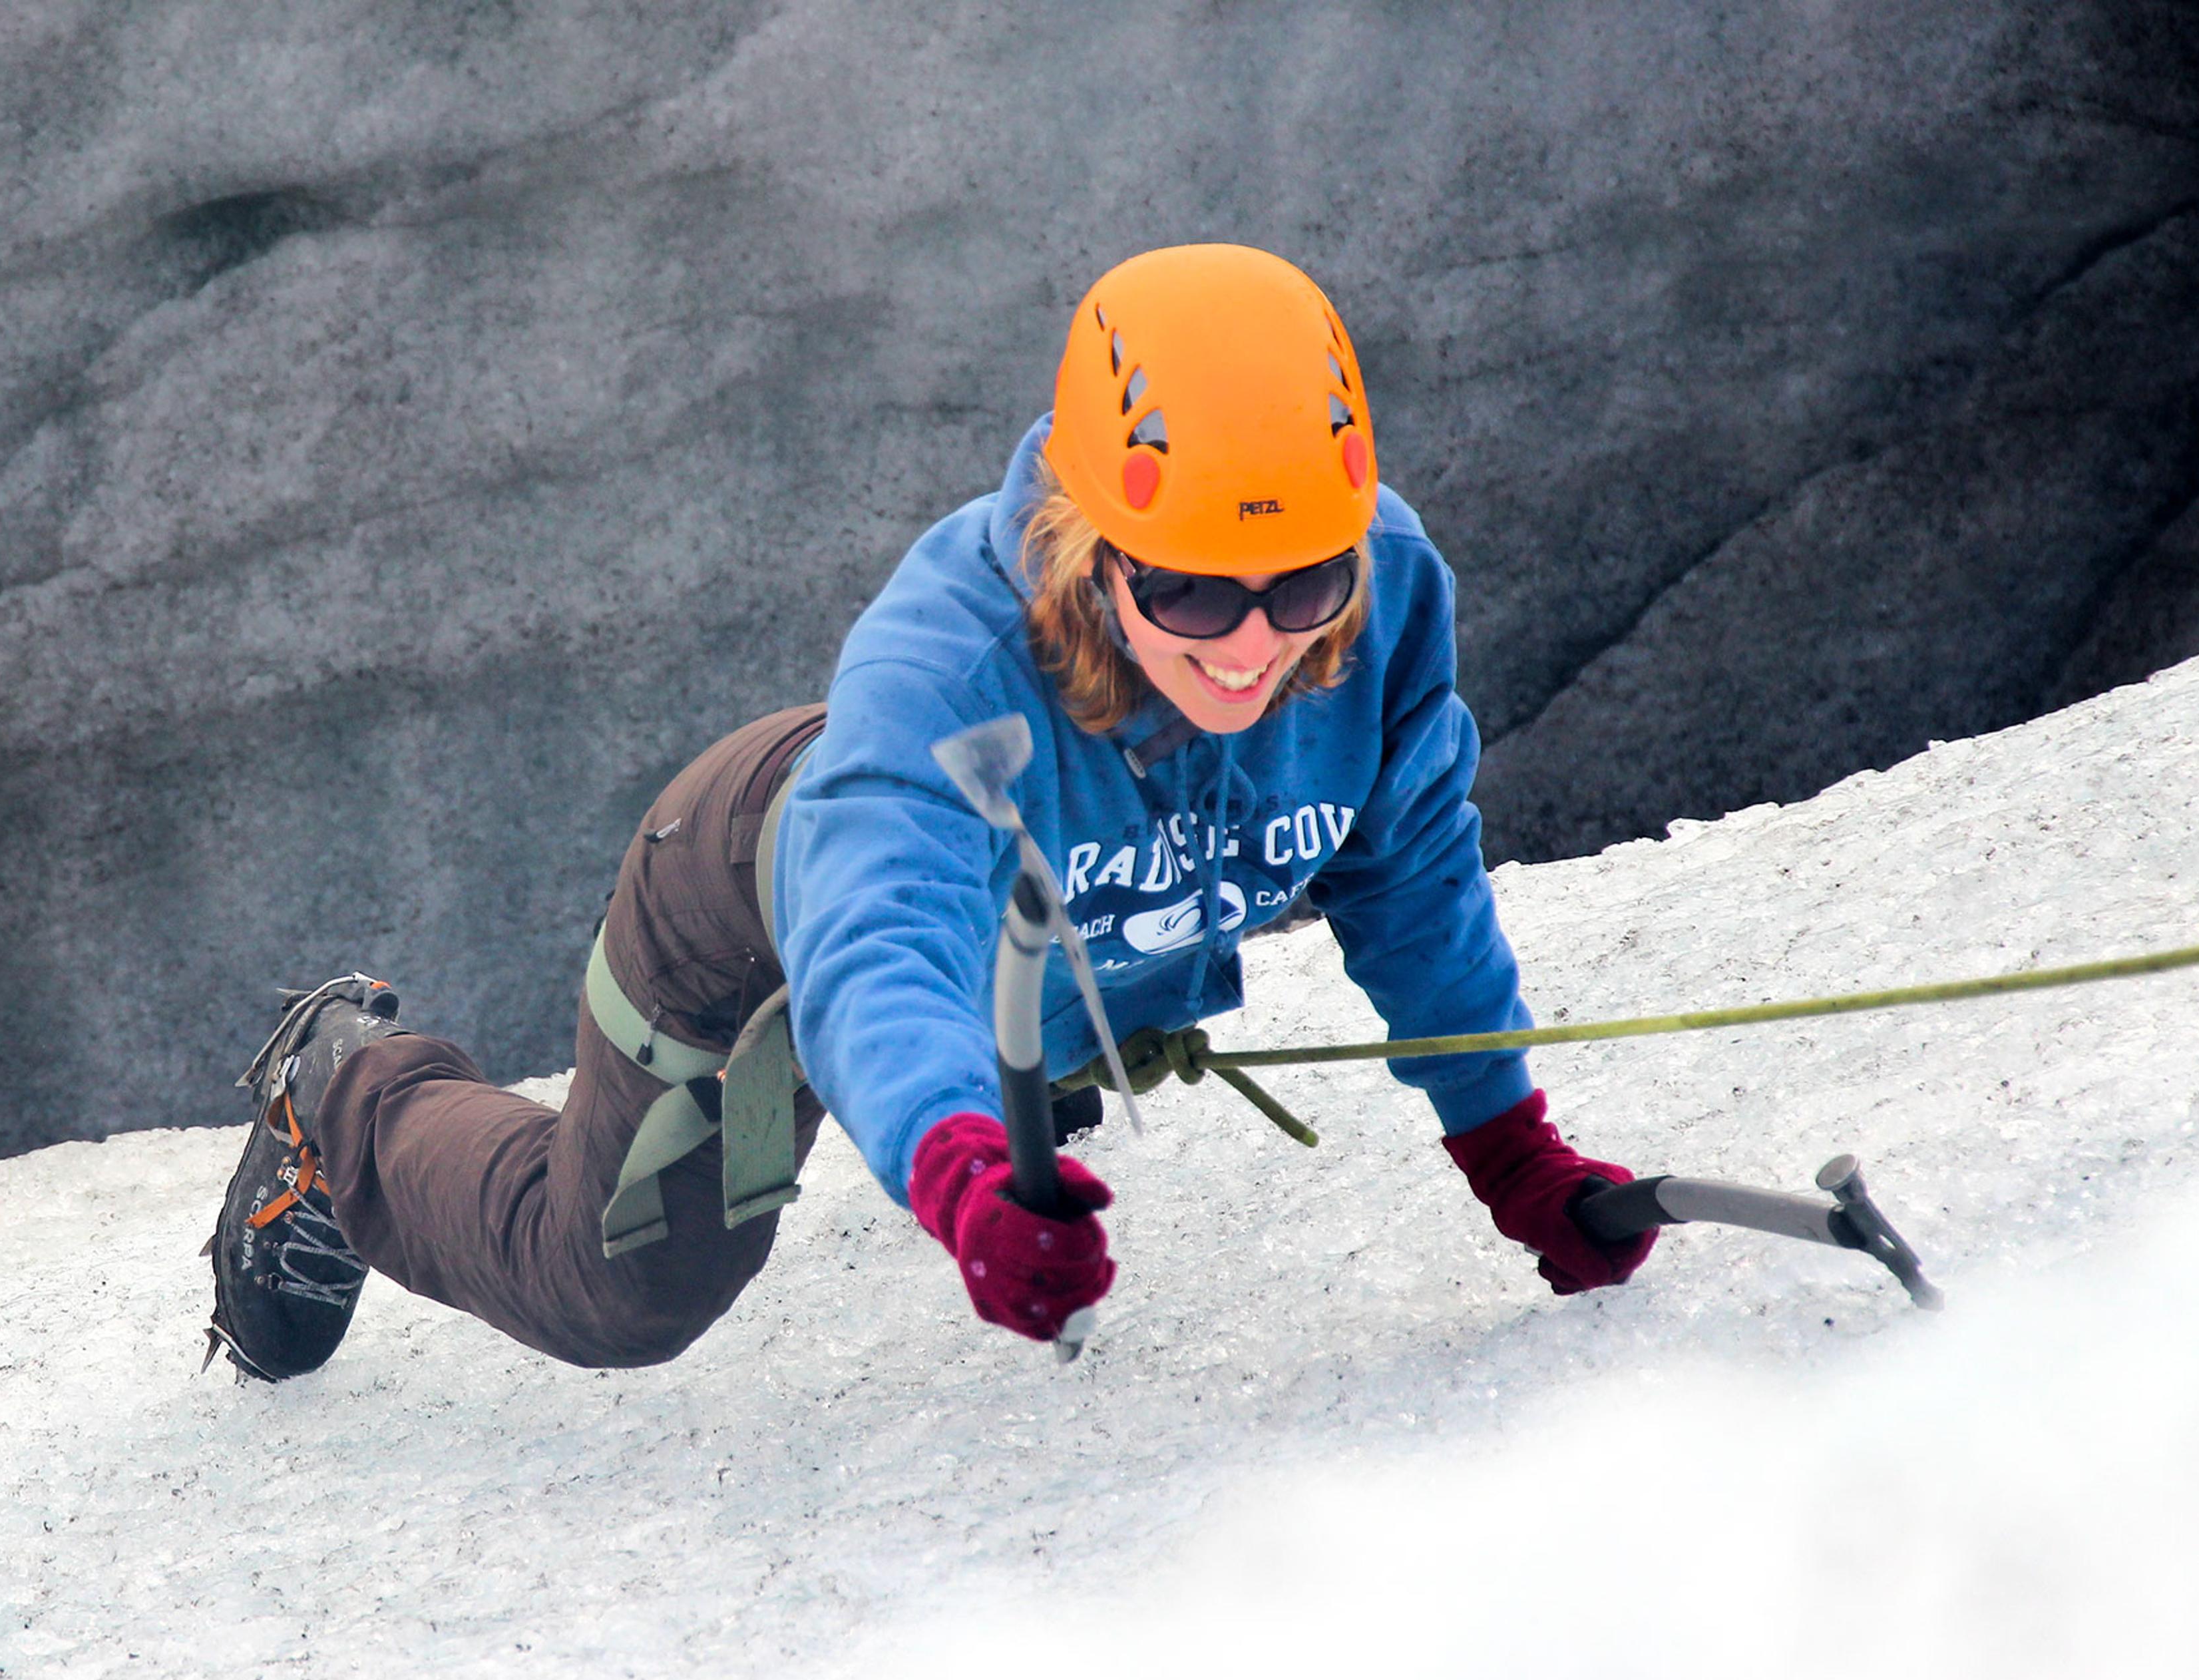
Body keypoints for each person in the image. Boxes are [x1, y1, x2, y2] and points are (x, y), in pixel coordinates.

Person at [202, 243, 1655, 1383]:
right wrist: (963, 1173)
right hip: (768, 902)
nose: (1253, 643)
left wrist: (1511, 1154)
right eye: (1192, 588)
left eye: (1303, 585)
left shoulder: (1385, 600)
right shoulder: (947, 665)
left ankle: (992, 1067)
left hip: (1019, 926)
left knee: (1022, 999)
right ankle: (343, 1094)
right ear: (1095, 550)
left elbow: (1414, 882)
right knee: (616, 1287)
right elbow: (881, 946)